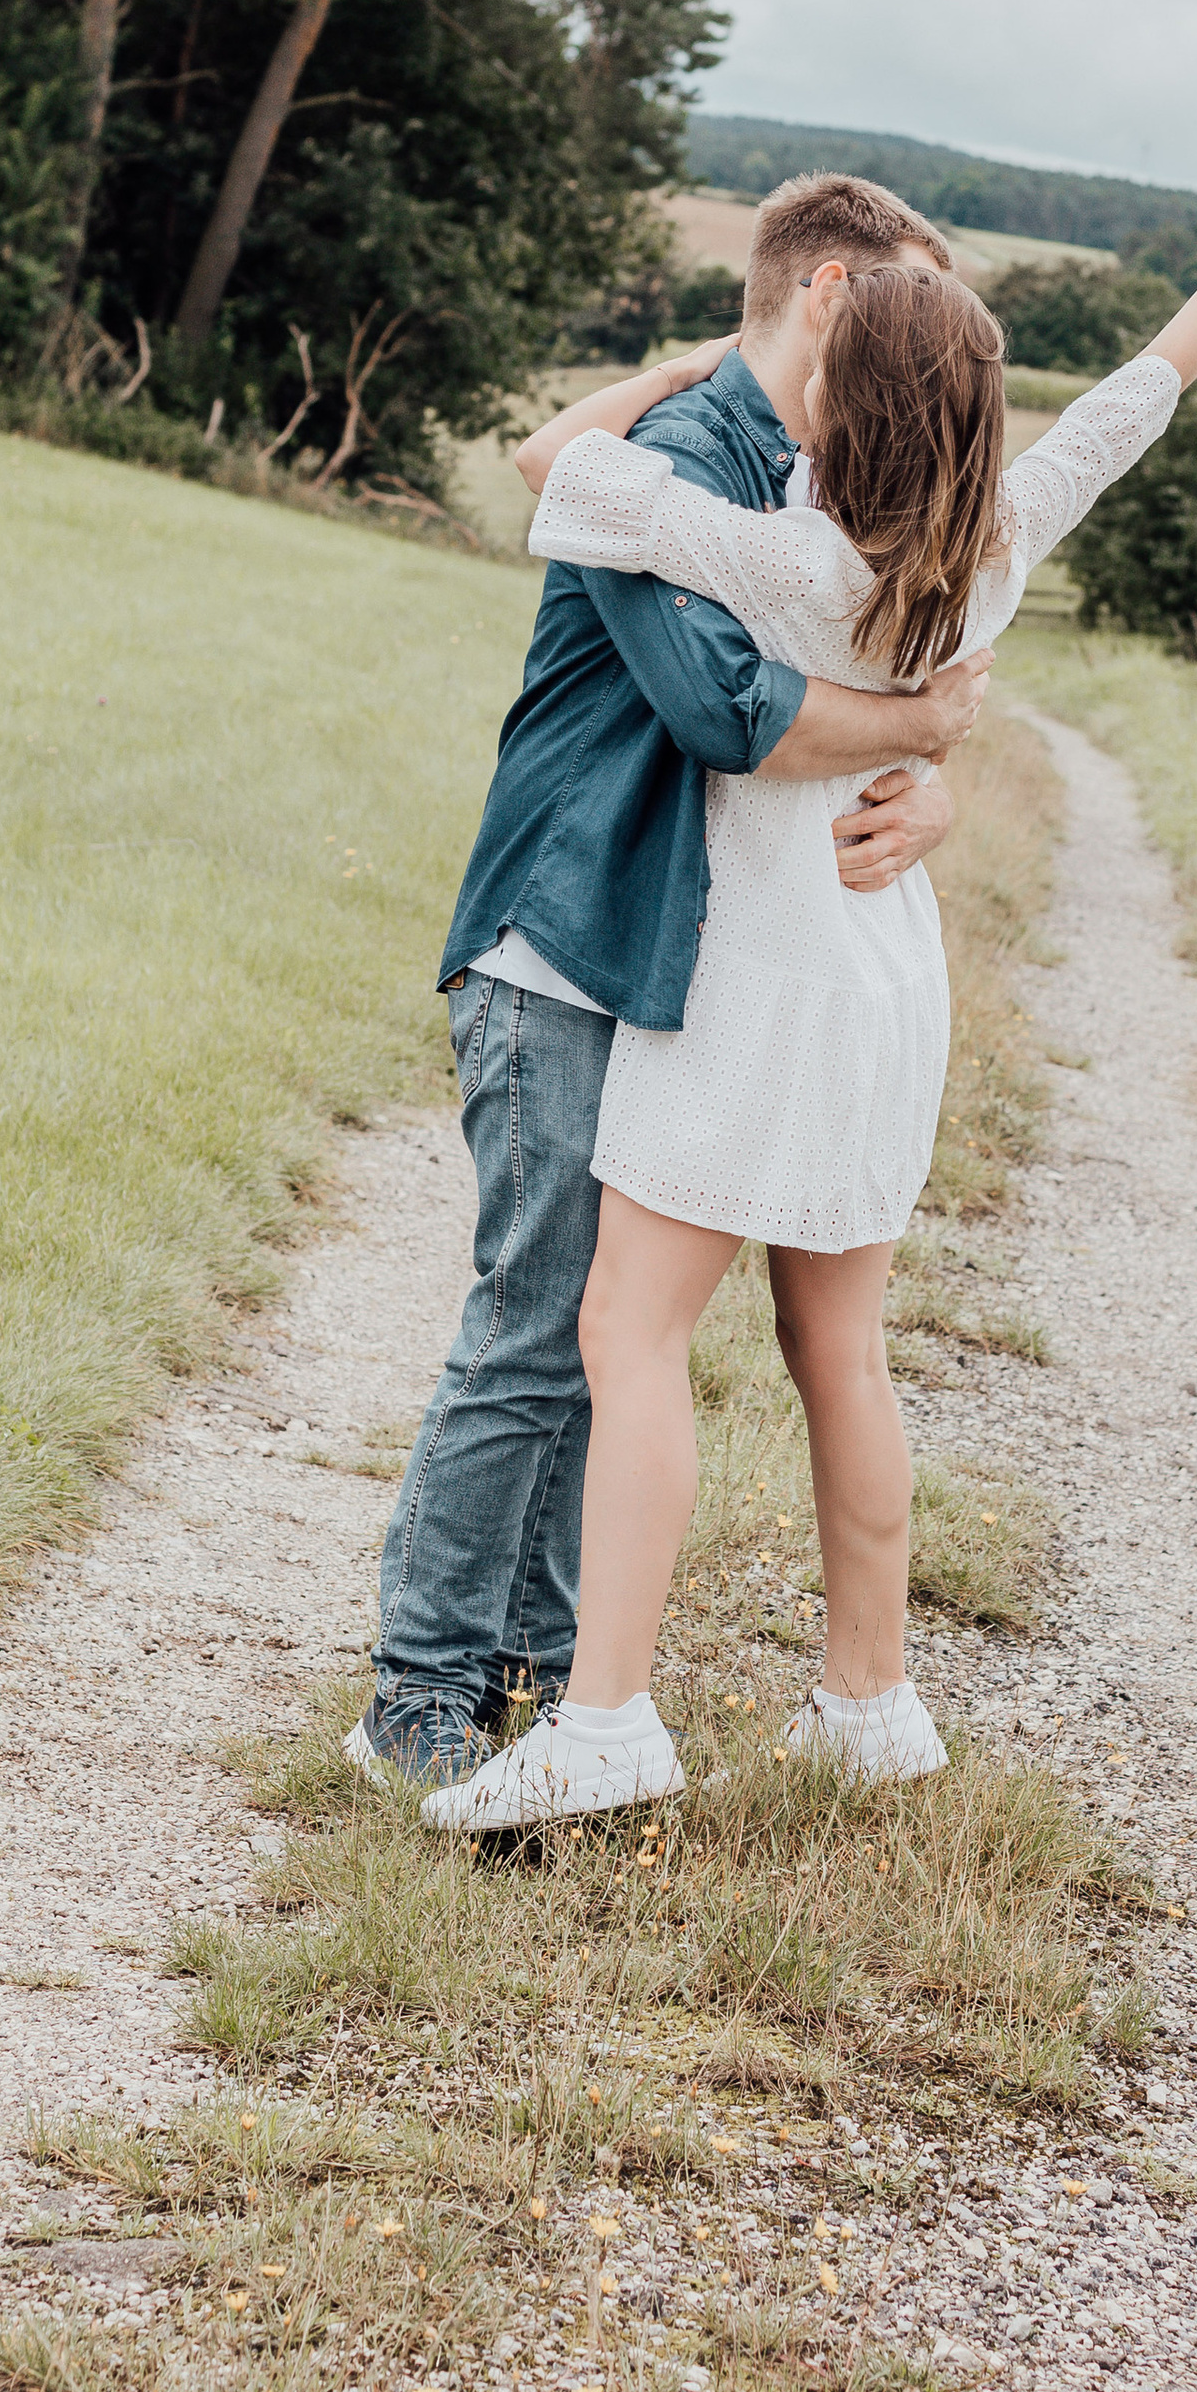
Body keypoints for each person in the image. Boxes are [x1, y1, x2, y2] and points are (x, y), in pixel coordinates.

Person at [416, 141, 1197, 1832]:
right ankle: (870, 1697)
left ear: (830, 397)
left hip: (755, 985)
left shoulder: (777, 559)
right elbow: (1148, 387)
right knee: (841, 1349)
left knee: (625, 1330)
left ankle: (608, 1713)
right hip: (890, 986)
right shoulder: (996, 542)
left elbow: (561, 472)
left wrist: (711, 363)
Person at [351, 176, 999, 1791]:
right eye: (905, 307)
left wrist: (943, 772)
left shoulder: (784, 465)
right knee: (533, 1329)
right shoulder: (688, 461)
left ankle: (532, 1657)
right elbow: (735, 709)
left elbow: (868, 649)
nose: (915, 347)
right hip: (563, 928)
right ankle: (420, 1694)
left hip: (649, 941)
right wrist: (925, 728)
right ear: (838, 293)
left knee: (588, 1329)